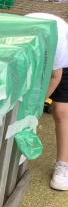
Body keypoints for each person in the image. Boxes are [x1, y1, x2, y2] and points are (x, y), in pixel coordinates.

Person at [26, 13, 68, 190]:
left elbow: (55, 76)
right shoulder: (17, 38)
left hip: (62, 65)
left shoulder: (58, 42)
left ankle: (63, 165)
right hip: (33, 56)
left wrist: (37, 103)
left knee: (61, 111)